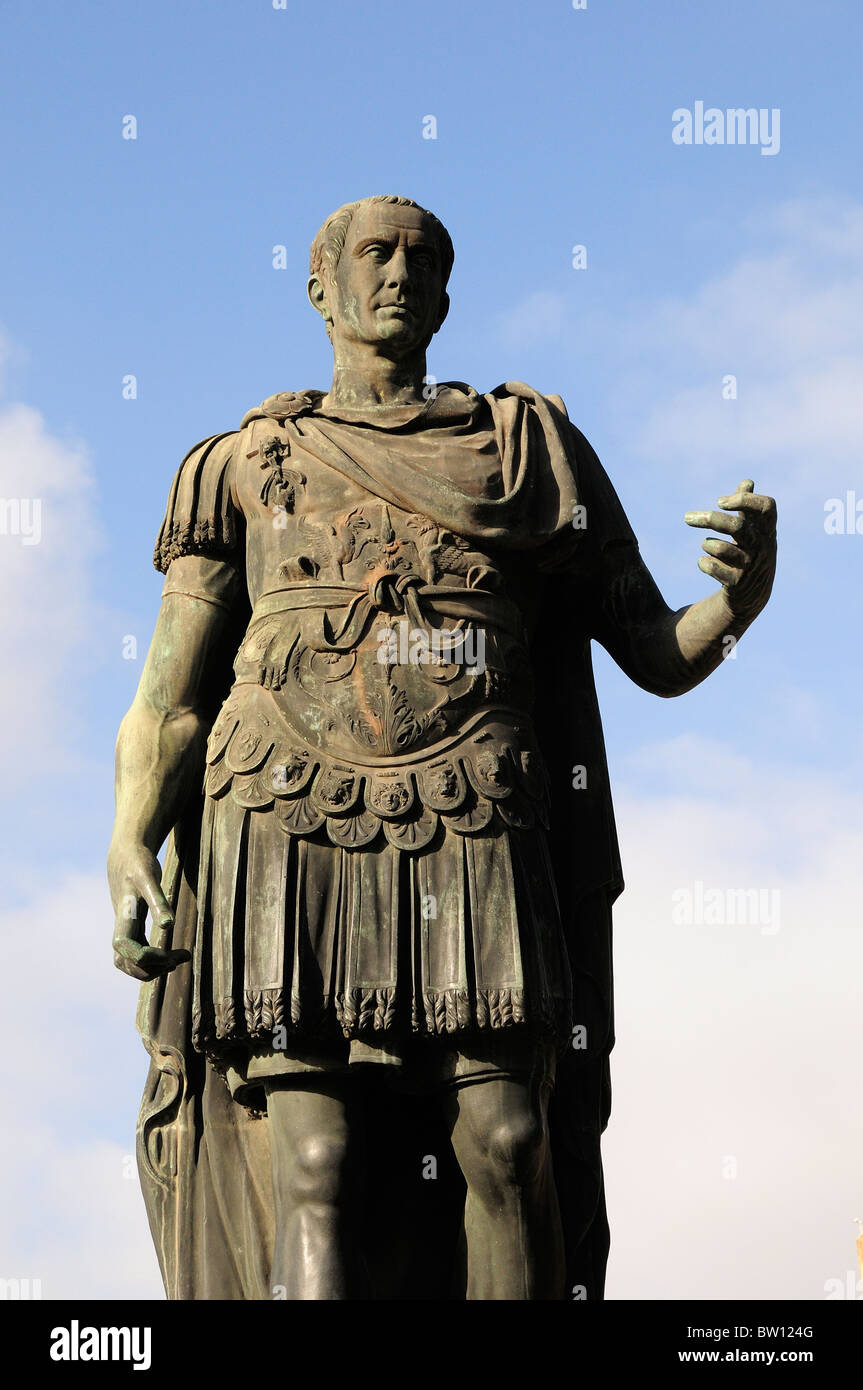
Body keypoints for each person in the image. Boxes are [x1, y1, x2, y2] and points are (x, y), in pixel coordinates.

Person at [108, 194, 776, 1300]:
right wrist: (131, 836)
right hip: (285, 814)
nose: (399, 273)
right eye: (374, 253)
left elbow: (655, 649)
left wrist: (740, 600)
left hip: (475, 814)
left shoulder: (527, 452)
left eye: (423, 257)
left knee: (507, 1138)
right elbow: (169, 696)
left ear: (447, 293)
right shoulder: (241, 463)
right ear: (319, 285)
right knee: (313, 1160)